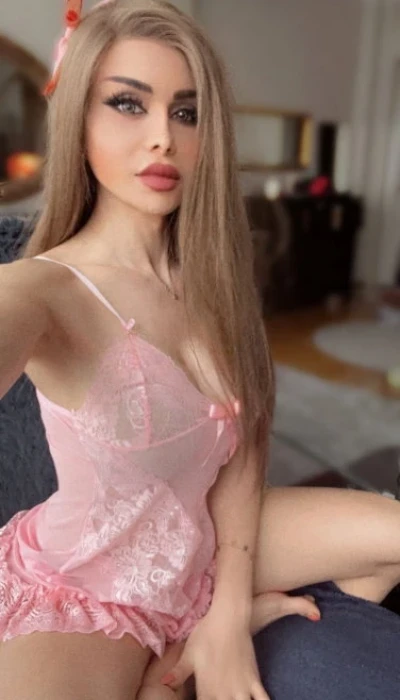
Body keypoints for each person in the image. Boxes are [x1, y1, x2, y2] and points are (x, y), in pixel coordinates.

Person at [1, 1, 400, 699]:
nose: (163, 137)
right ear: (79, 119)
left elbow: (246, 449)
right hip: (92, 583)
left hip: (206, 539)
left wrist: (226, 618)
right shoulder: (42, 289)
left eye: (186, 113)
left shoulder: (214, 276)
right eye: (128, 104)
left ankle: (190, 643)